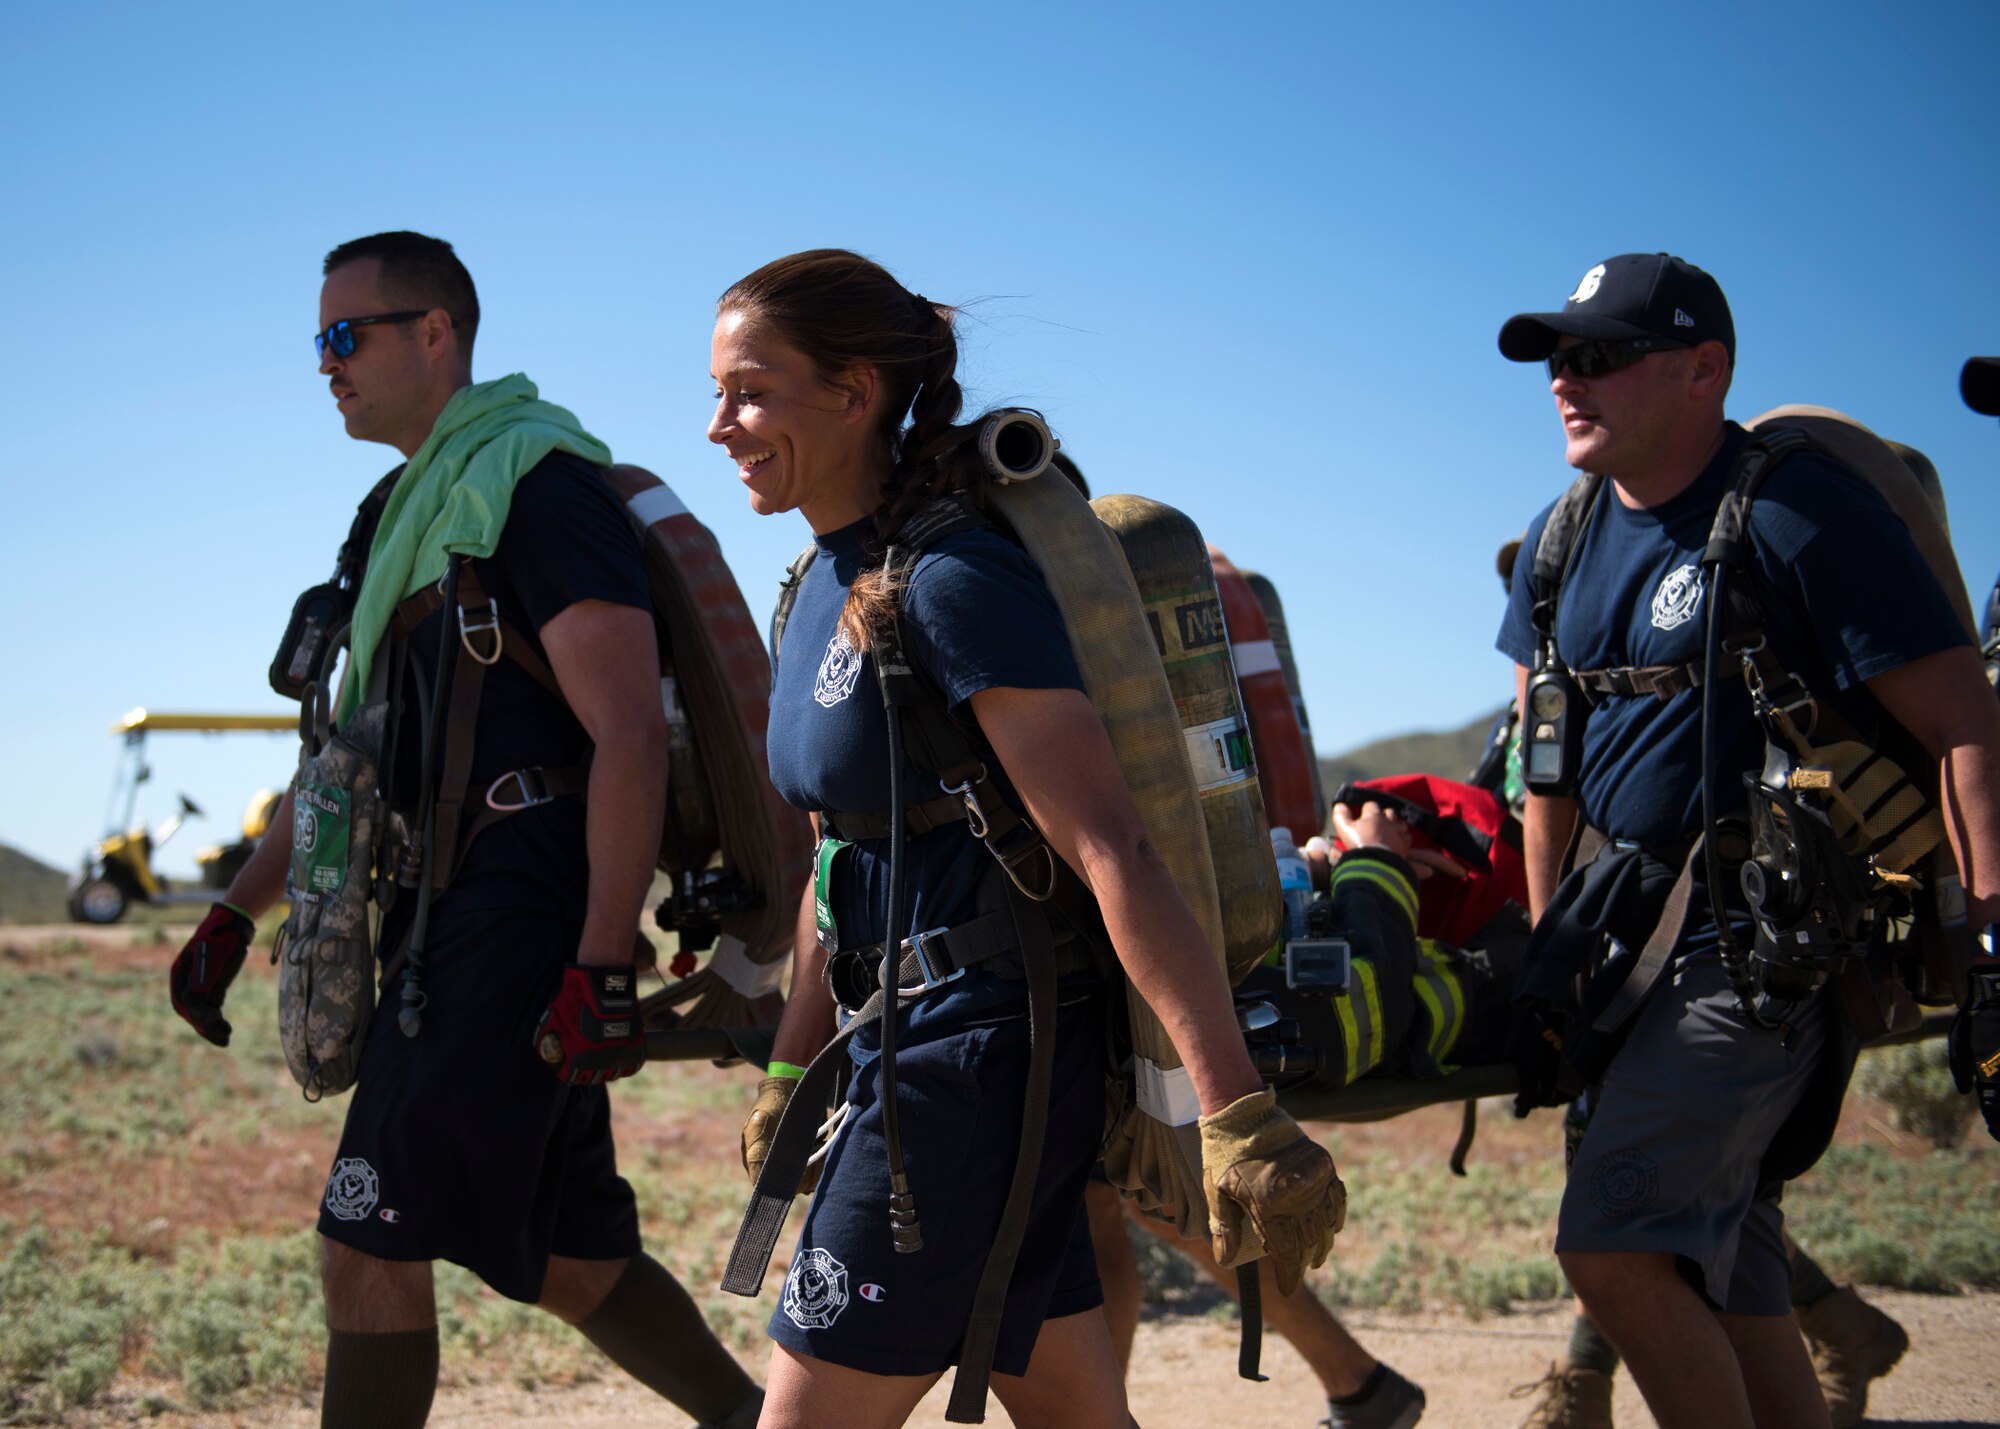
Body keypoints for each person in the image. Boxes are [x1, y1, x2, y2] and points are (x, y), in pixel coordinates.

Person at [711, 248, 1344, 1429]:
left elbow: (1113, 845)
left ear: (854, 391)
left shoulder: (952, 580)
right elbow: (838, 860)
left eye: (750, 390)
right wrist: (794, 1066)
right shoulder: (815, 586)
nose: (719, 424)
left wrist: (1234, 1106)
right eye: (717, 393)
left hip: (970, 1072)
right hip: (903, 1057)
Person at [166, 231, 762, 1429]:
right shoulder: (400, 517)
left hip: (518, 916)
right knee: (569, 1259)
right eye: (316, 342)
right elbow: (350, 765)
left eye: (348, 336)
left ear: (434, 332)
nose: (326, 365)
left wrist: (598, 960)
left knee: (366, 1243)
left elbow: (626, 736)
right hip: (449, 916)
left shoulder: (535, 488)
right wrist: (236, 907)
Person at [1493, 253, 2000, 1429]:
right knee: (1729, 1269)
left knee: (1617, 1249)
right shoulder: (1558, 535)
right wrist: (1544, 948)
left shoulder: (1795, 509)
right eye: (1559, 359)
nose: (1569, 382)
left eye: (1602, 357)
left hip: (1755, 953)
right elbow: (1545, 759)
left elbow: (1960, 720)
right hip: (1619, 953)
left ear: (1701, 370)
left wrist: (1987, 939)